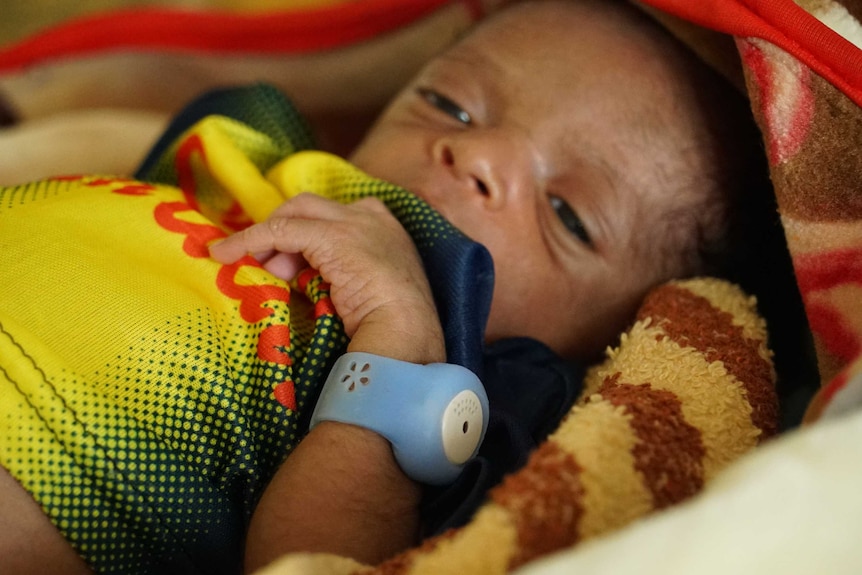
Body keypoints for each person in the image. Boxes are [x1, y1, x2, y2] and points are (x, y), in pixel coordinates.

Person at [0, 0, 765, 574]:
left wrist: (400, 343)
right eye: (450, 104)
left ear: (609, 336)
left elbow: (312, 559)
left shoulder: (475, 397)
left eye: (568, 212)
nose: (475, 153)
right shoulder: (275, 153)